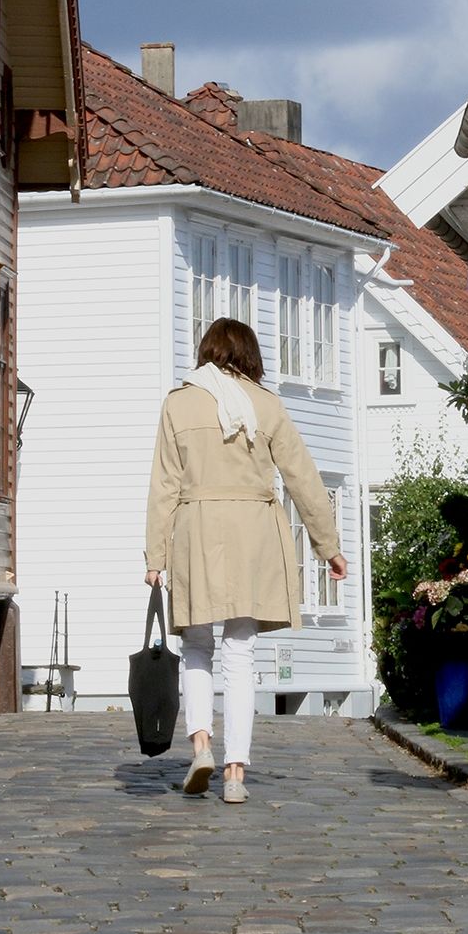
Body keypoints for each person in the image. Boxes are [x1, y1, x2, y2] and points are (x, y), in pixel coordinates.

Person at [145, 318, 346, 804]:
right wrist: (328, 546)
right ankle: (235, 772)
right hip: (254, 531)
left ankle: (200, 746)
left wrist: (155, 555)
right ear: (250, 356)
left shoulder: (179, 403)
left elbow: (164, 485)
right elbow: (302, 478)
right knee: (240, 652)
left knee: (196, 645)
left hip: (196, 529)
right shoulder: (266, 405)